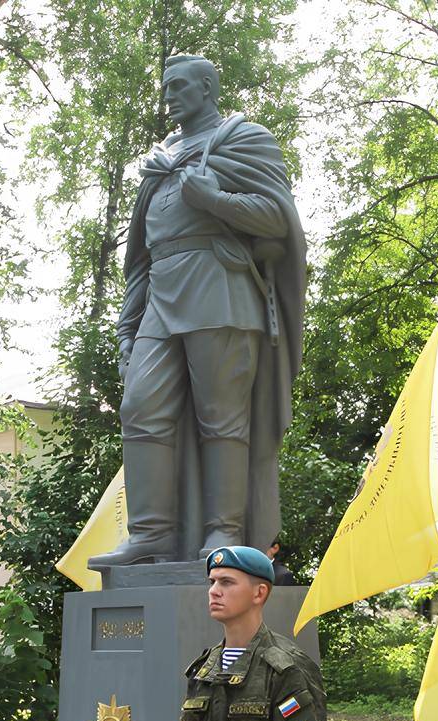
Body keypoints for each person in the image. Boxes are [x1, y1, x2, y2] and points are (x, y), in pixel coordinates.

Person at [89, 53, 307, 569]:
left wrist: (214, 199)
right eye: (166, 87)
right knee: (140, 408)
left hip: (221, 289)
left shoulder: (245, 139)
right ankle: (150, 534)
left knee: (222, 419)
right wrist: (127, 328)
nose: (170, 96)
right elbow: (141, 255)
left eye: (180, 86)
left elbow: (278, 218)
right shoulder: (159, 161)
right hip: (160, 301)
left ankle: (223, 533)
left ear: (208, 88)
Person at [176, 546, 328, 721]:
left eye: (226, 582)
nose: (214, 591)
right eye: (212, 582)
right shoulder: (204, 669)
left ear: (259, 593)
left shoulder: (285, 668)